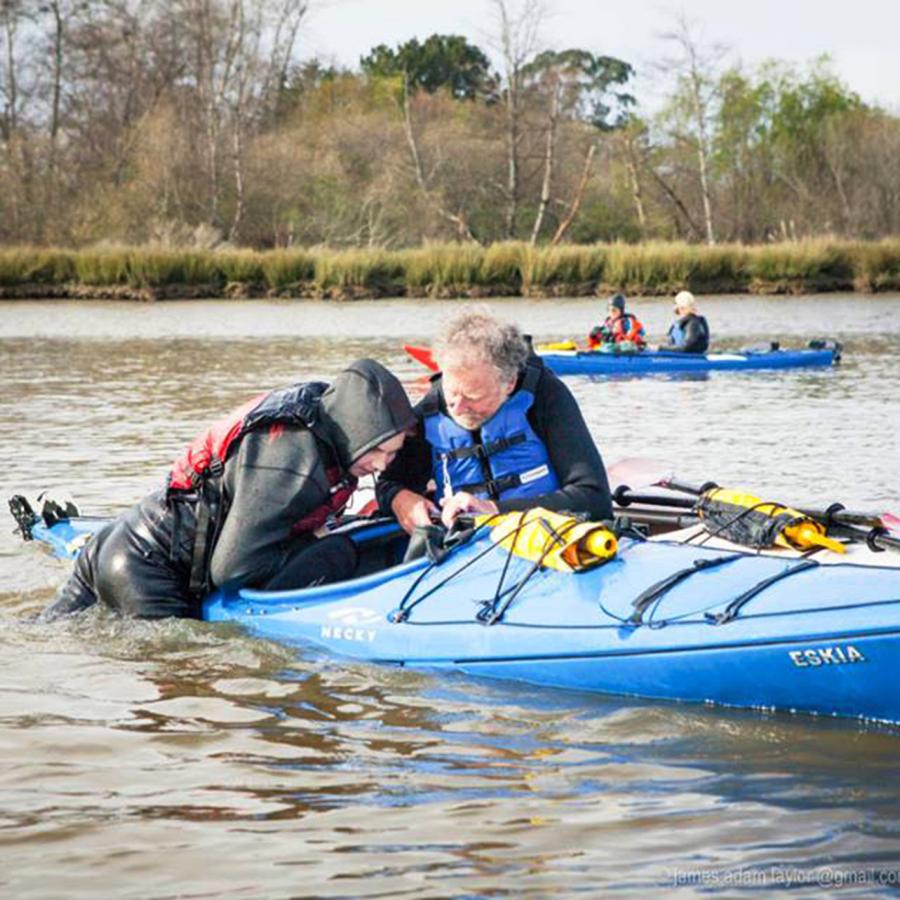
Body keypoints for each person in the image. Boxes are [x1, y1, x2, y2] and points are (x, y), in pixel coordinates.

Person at [45, 359, 415, 620]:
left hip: (125, 543)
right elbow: (233, 569)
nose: (383, 464)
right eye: (377, 451)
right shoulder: (293, 460)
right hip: (148, 568)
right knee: (185, 680)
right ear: (353, 430)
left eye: (393, 452)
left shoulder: (329, 423)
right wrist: (315, 545)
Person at [376, 307, 613, 533]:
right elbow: (388, 484)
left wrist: (495, 511)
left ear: (508, 384)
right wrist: (402, 500)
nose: (457, 407)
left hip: (548, 542)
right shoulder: (430, 413)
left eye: (473, 397)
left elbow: (594, 498)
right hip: (463, 551)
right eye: (451, 393)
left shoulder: (544, 396)